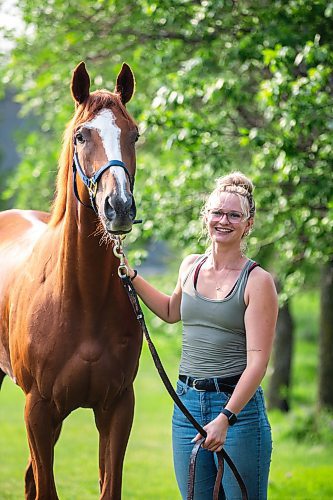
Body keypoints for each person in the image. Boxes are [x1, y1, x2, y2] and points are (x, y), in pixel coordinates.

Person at [127, 172, 278, 499]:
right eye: (217, 213)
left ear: (248, 224)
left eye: (234, 215)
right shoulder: (190, 266)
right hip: (187, 406)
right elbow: (170, 311)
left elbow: (258, 362)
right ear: (206, 216)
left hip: (238, 411)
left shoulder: (257, 281)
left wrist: (226, 417)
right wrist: (132, 275)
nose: (224, 221)